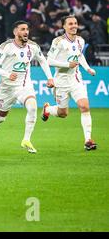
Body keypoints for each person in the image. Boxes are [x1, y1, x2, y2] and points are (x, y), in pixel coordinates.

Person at [0, 21, 55, 154]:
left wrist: (50, 77)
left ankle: (26, 140)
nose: (26, 32)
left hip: (24, 85)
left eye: (27, 29)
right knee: (0, 118)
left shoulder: (33, 47)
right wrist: (7, 74)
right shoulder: (6, 47)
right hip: (6, 88)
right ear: (15, 32)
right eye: (22, 29)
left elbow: (43, 61)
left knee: (32, 106)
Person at [41, 15, 98, 151]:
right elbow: (49, 61)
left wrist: (87, 68)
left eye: (75, 23)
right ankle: (47, 109)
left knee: (84, 106)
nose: (73, 26)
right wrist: (67, 64)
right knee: (63, 113)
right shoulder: (58, 41)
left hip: (76, 79)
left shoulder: (80, 40)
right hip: (61, 81)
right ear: (64, 26)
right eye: (70, 24)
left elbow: (79, 55)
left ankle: (88, 140)